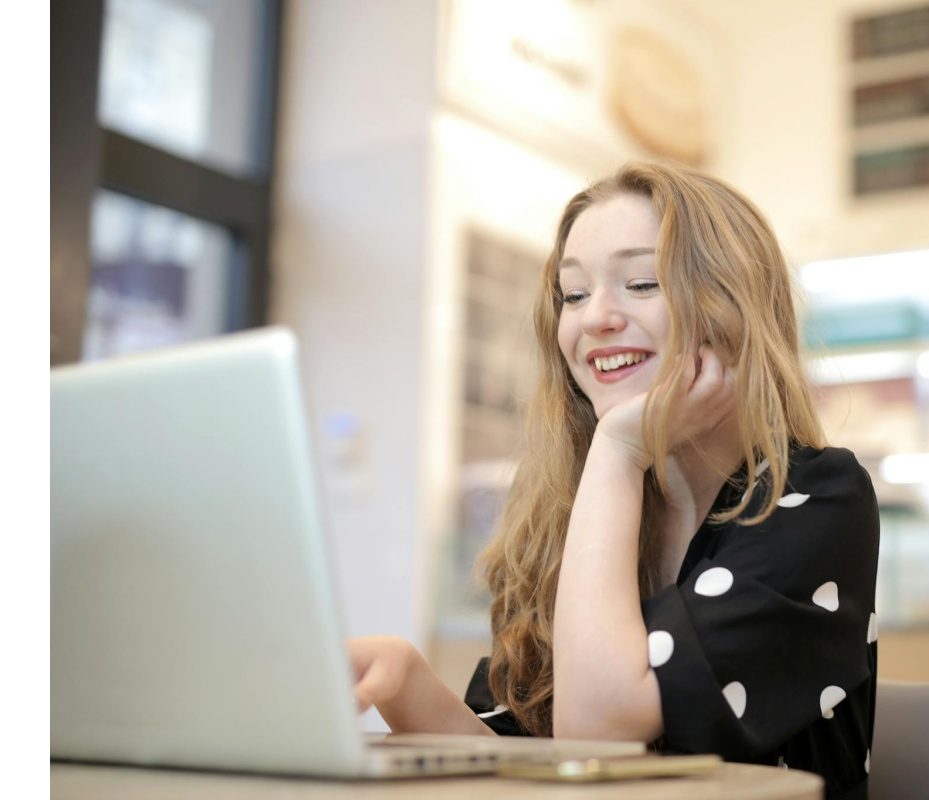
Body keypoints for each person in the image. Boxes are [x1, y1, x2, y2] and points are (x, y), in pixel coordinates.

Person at [347, 162, 881, 799]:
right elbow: (534, 774)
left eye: (641, 282)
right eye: (573, 294)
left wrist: (620, 449)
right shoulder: (568, 509)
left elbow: (596, 734)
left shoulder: (817, 498)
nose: (595, 317)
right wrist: (409, 687)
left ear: (731, 309)